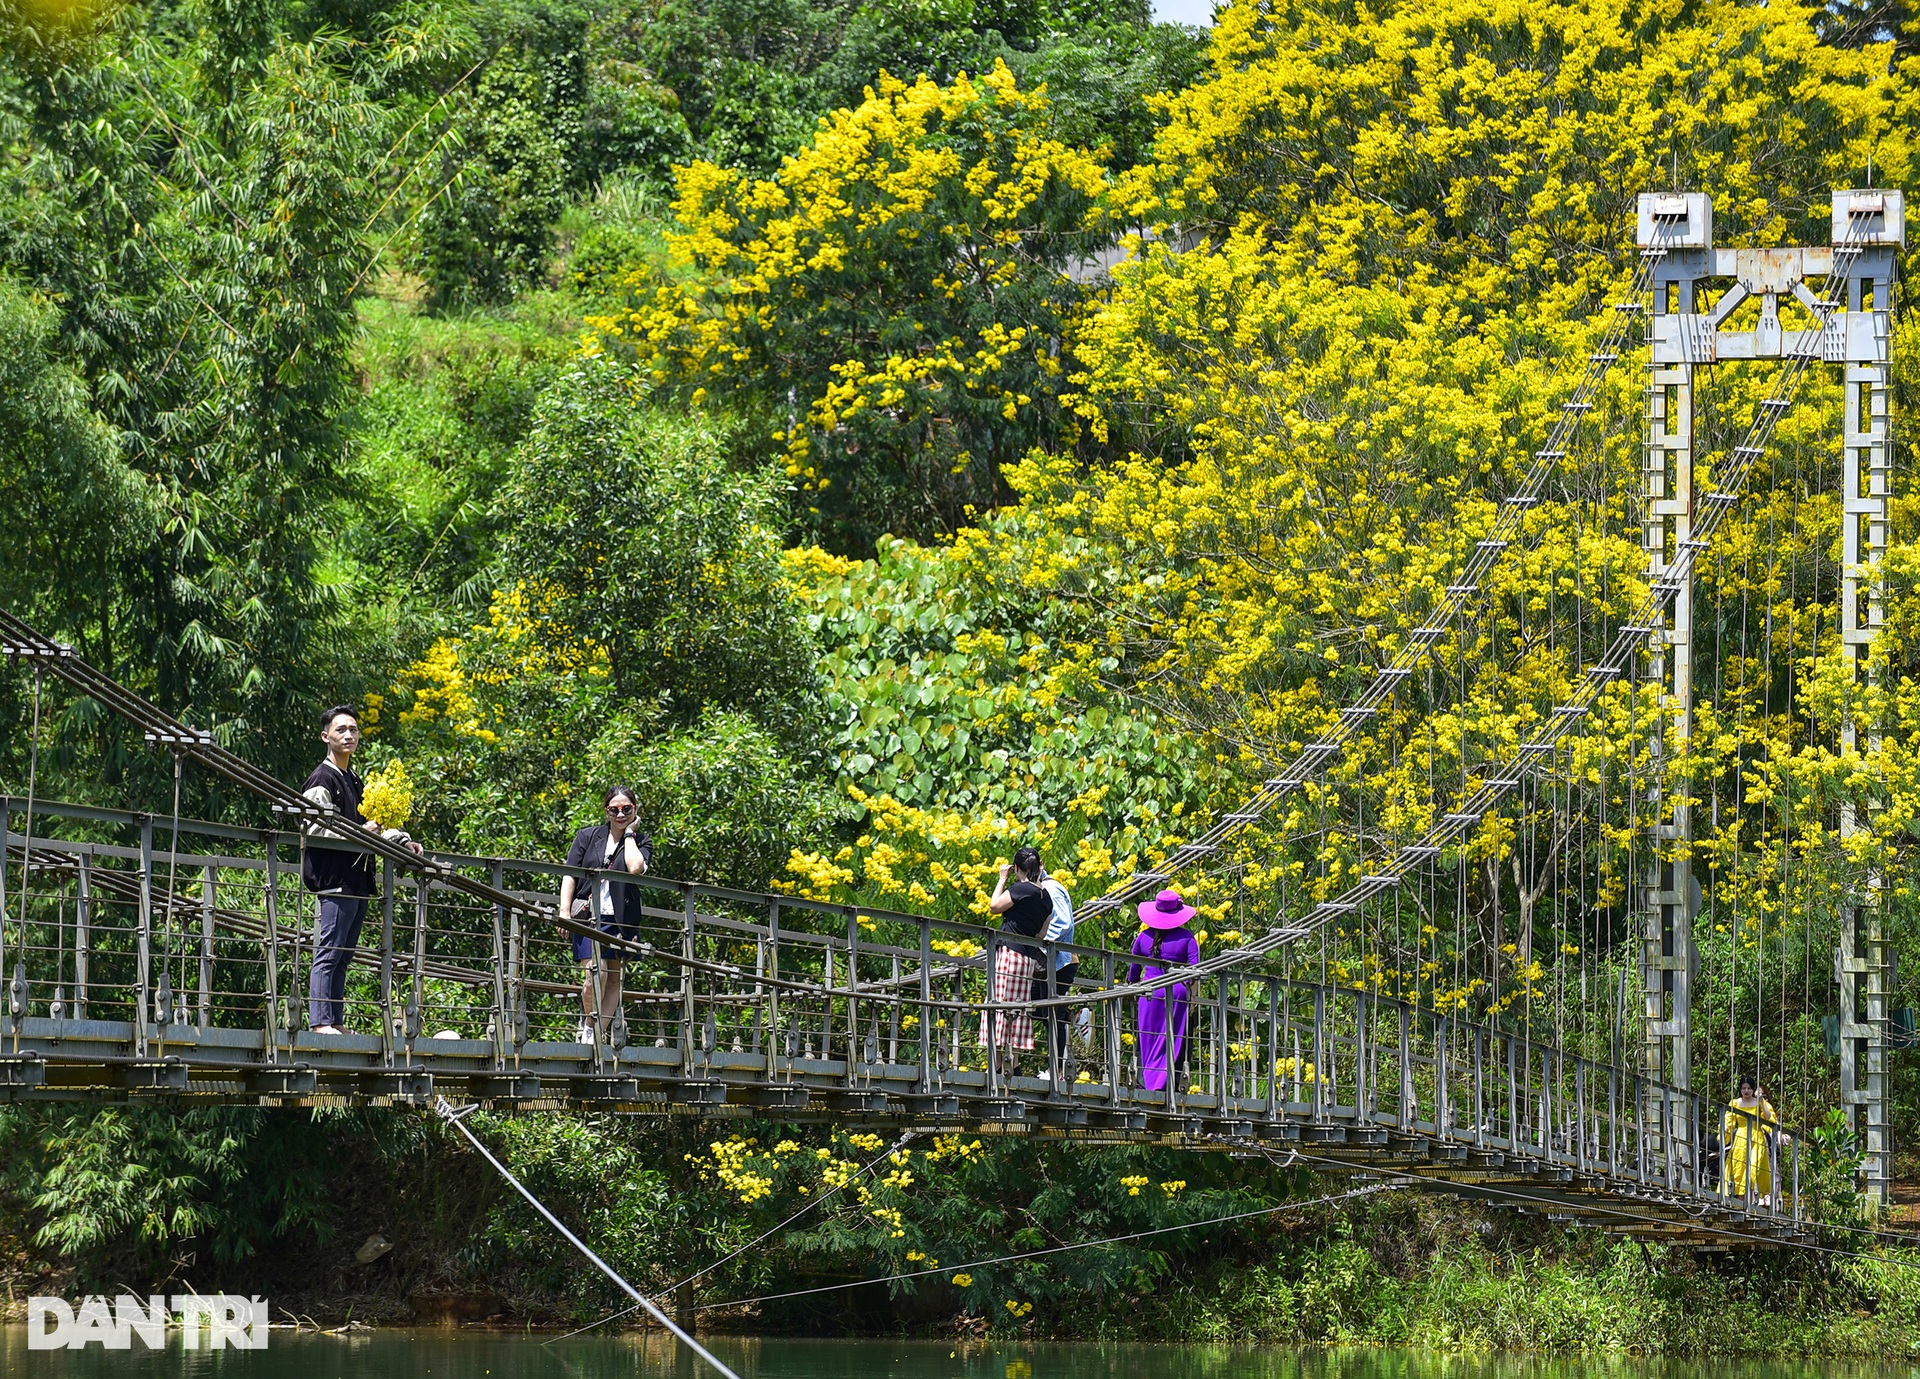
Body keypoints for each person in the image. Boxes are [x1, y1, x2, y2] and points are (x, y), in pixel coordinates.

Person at [299, 705, 422, 1035]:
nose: (348, 735)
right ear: (326, 736)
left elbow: (374, 826)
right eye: (341, 730)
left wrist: (404, 842)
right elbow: (313, 828)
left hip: (357, 880)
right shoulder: (321, 778)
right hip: (334, 880)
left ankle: (334, 1021)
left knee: (343, 955)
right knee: (329, 952)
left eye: (353, 730)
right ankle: (320, 1022)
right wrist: (357, 833)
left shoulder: (353, 779)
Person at [557, 786, 653, 1045]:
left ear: (635, 810)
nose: (620, 814)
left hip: (621, 918)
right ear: (606, 811)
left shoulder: (642, 841)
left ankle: (595, 1033)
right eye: (614, 809)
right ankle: (588, 1022)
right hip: (589, 916)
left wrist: (630, 834)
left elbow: (634, 867)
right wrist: (564, 911)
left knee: (613, 978)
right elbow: (570, 874)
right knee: (594, 974)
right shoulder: (587, 837)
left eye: (626, 809)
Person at [982, 846, 1051, 1069]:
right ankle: (1014, 1065)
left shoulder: (1020, 889)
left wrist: (1002, 880)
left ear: (1017, 868)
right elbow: (1041, 933)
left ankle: (997, 1066)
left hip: (1009, 955)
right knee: (1018, 1010)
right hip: (1027, 960)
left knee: (999, 1005)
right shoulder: (1046, 897)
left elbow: (994, 907)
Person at [1128, 889, 1200, 1092]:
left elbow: (1133, 971)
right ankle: (1169, 1083)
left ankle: (1146, 1082)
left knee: (1148, 1038)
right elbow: (1195, 970)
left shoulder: (1143, 937)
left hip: (1149, 994)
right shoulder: (1187, 937)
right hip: (1176, 994)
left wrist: (1134, 988)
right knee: (1174, 1038)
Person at [1030, 857, 1079, 1078]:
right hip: (1047, 962)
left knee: (1051, 1015)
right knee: (1039, 1011)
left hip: (1061, 961)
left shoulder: (1051, 888)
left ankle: (1057, 1071)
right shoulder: (1039, 889)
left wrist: (1041, 944)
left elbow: (1064, 923)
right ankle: (1073, 1015)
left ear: (1041, 867)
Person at [1722, 1074, 1780, 1205]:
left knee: (1754, 1168)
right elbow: (1729, 1121)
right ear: (1740, 1090)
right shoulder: (1735, 1103)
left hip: (1756, 1137)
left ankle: (1753, 1200)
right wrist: (1725, 1129)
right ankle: (1739, 1201)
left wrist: (1762, 1102)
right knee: (1739, 1168)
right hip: (1741, 1139)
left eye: (1749, 1088)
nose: (1746, 1091)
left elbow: (1768, 1117)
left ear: (1753, 1089)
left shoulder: (1758, 1103)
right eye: (1743, 1088)